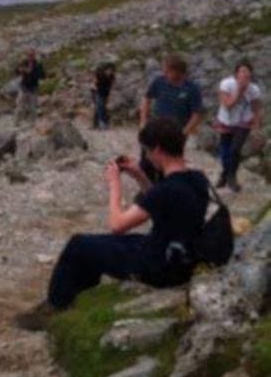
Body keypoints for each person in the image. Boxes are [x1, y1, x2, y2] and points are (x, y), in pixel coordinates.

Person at [14, 118, 210, 330]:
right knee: (96, 246)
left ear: (158, 150)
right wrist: (139, 176)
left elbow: (117, 225)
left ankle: (55, 307)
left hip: (158, 267)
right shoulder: (197, 179)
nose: (147, 156)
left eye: (147, 151)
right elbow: (165, 207)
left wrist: (114, 184)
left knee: (79, 245)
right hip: (180, 256)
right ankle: (76, 296)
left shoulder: (167, 189)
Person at [139, 53, 204, 183]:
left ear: (178, 71)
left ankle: (165, 190)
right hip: (155, 128)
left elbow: (197, 114)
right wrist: (143, 121)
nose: (164, 73)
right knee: (146, 161)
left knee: (169, 164)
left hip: (176, 133)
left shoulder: (192, 89)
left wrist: (183, 133)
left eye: (167, 71)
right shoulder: (159, 81)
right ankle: (147, 188)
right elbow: (147, 99)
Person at [215, 59, 263, 192]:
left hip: (243, 122)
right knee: (225, 151)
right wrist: (240, 91)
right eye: (242, 71)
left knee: (235, 149)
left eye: (248, 72)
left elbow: (256, 108)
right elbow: (227, 105)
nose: (245, 74)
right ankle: (225, 173)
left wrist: (256, 126)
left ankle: (232, 176)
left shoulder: (254, 89)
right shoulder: (227, 84)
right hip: (226, 120)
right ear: (236, 74)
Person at [15, 49, 45, 125]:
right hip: (24, 87)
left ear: (34, 56)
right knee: (20, 106)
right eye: (29, 55)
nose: (30, 57)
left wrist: (32, 73)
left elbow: (42, 76)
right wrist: (21, 70)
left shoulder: (38, 64)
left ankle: (32, 123)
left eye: (32, 55)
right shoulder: (23, 62)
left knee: (33, 107)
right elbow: (16, 71)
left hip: (33, 88)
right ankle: (17, 122)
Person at [92, 62, 117, 130]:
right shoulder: (99, 74)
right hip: (97, 91)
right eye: (109, 70)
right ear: (105, 69)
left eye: (111, 70)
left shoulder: (112, 76)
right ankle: (102, 123)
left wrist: (110, 95)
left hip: (105, 92)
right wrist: (96, 92)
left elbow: (112, 85)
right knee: (100, 106)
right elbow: (94, 83)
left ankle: (96, 124)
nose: (110, 72)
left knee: (101, 108)